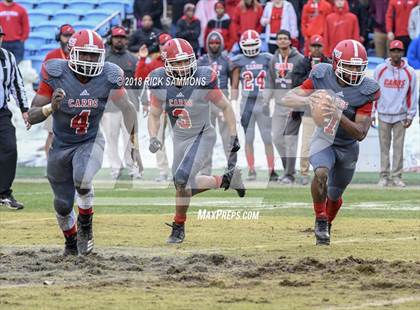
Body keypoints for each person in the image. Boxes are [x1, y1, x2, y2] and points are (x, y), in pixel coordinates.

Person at [27, 30, 140, 256]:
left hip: (90, 140)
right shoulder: (55, 72)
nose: (89, 60)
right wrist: (51, 107)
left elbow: (128, 109)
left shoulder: (109, 75)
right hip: (60, 145)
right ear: (72, 53)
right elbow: (31, 115)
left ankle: (86, 225)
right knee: (62, 204)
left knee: (83, 176)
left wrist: (133, 144)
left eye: (93, 55)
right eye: (84, 54)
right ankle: (70, 241)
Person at [282, 39, 380, 245]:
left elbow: (361, 133)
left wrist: (339, 114)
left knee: (335, 195)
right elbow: (289, 98)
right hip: (324, 139)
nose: (354, 71)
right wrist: (308, 100)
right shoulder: (321, 74)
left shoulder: (366, 90)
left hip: (347, 146)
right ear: (336, 64)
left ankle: (327, 224)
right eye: (349, 66)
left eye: (358, 67)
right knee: (320, 173)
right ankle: (320, 218)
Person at [147, 38, 245, 243]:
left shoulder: (203, 77)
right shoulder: (159, 80)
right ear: (166, 63)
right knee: (183, 185)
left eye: (186, 61)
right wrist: (154, 137)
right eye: (178, 62)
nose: (183, 66)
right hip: (179, 139)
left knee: (182, 180)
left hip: (203, 135)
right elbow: (154, 114)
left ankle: (178, 227)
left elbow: (226, 107)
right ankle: (227, 179)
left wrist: (233, 135)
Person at [231, 30, 277, 181]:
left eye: (253, 44)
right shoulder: (238, 60)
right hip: (247, 104)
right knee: (249, 138)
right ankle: (251, 170)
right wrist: (233, 103)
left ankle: (272, 170)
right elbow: (235, 84)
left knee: (267, 138)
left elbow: (273, 78)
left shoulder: (267, 58)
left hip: (262, 103)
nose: (250, 47)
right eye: (247, 44)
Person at [373, 40, 418, 187]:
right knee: (384, 147)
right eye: (393, 51)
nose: (396, 54)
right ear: (389, 52)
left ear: (403, 53)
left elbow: (412, 95)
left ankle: (397, 176)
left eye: (398, 51)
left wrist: (411, 114)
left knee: (399, 147)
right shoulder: (380, 70)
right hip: (383, 113)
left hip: (400, 115)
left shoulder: (409, 72)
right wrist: (372, 112)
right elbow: (374, 92)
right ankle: (384, 176)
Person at [104, 26, 143, 180]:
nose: (119, 39)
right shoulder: (104, 59)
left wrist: (139, 100)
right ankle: (115, 169)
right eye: (116, 37)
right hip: (109, 107)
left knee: (130, 139)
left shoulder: (133, 59)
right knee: (111, 139)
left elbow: (139, 82)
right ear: (111, 39)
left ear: (126, 40)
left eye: (122, 37)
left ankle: (132, 167)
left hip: (129, 106)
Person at [292, 34, 331, 185]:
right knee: (307, 142)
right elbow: (296, 84)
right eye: (314, 46)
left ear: (323, 47)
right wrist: (312, 74)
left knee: (326, 143)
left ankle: (325, 172)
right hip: (309, 108)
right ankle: (304, 172)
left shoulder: (328, 63)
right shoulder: (303, 63)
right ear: (309, 47)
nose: (316, 49)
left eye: (319, 46)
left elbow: (333, 84)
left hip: (325, 109)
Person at [265, 30, 303, 184]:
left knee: (290, 141)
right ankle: (288, 169)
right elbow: (270, 82)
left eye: (284, 38)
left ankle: (289, 175)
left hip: (294, 106)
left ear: (290, 41)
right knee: (277, 139)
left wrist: (299, 101)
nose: (281, 41)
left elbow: (303, 82)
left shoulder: (299, 59)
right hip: (279, 106)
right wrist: (265, 101)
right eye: (279, 39)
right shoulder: (274, 59)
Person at [135, 32, 172, 182]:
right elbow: (139, 76)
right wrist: (142, 58)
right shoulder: (155, 62)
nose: (165, 46)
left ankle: (181, 170)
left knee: (181, 140)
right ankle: (163, 172)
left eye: (167, 43)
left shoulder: (179, 62)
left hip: (177, 107)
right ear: (159, 46)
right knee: (158, 141)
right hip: (159, 108)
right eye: (163, 44)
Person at [0, 25, 28, 210]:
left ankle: (4, 192)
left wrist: (25, 109)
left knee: (9, 147)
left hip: (1, 112)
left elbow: (17, 86)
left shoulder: (8, 58)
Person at [198, 31, 233, 174]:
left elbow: (234, 83)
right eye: (211, 42)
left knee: (228, 137)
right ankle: (205, 170)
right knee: (207, 137)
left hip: (222, 101)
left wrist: (232, 102)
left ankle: (231, 168)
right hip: (206, 103)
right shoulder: (201, 61)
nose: (214, 45)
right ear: (207, 44)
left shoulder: (227, 61)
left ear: (221, 44)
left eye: (217, 42)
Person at [42, 24, 75, 162]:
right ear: (59, 37)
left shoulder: (78, 54)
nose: (68, 39)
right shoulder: (51, 56)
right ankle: (50, 163)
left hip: (73, 100)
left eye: (70, 36)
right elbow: (44, 78)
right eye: (65, 36)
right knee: (52, 134)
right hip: (55, 101)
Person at [0, 0, 29, 64]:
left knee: (17, 64)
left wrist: (23, 39)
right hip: (2, 42)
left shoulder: (21, 9)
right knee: (3, 64)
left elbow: (26, 26)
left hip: (17, 43)